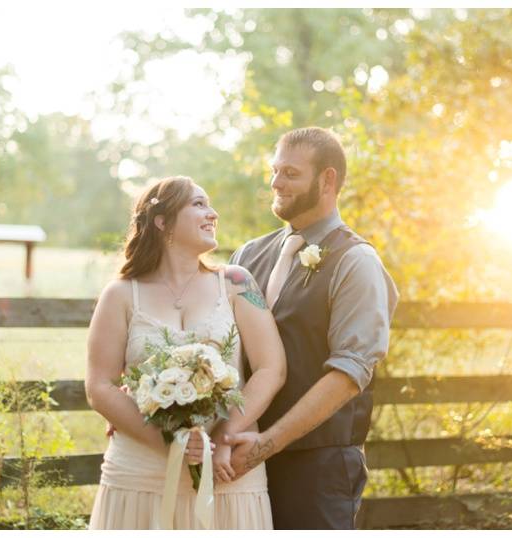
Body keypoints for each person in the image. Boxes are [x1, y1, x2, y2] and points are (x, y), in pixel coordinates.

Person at [85, 176, 286, 529]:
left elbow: (272, 369)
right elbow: (99, 386)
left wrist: (224, 436)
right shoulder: (119, 294)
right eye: (198, 204)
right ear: (162, 222)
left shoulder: (237, 283)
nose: (213, 213)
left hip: (227, 467)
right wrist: (173, 444)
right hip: (141, 470)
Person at [226, 127, 399, 529]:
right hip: (237, 459)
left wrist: (264, 446)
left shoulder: (356, 262)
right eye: (274, 170)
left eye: (290, 173)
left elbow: (348, 374)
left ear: (327, 180)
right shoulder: (247, 255)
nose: (275, 182)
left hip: (317, 468)